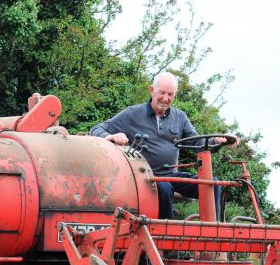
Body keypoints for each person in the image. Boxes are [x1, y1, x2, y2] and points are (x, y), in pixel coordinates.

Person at [90, 72, 227, 220]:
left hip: (172, 176)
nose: (165, 98)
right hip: (144, 178)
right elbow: (96, 129)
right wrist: (110, 136)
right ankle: (168, 235)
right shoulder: (132, 114)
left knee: (212, 184)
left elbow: (198, 143)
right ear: (151, 90)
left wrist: (216, 141)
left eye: (170, 94)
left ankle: (214, 231)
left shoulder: (180, 117)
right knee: (164, 188)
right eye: (162, 92)